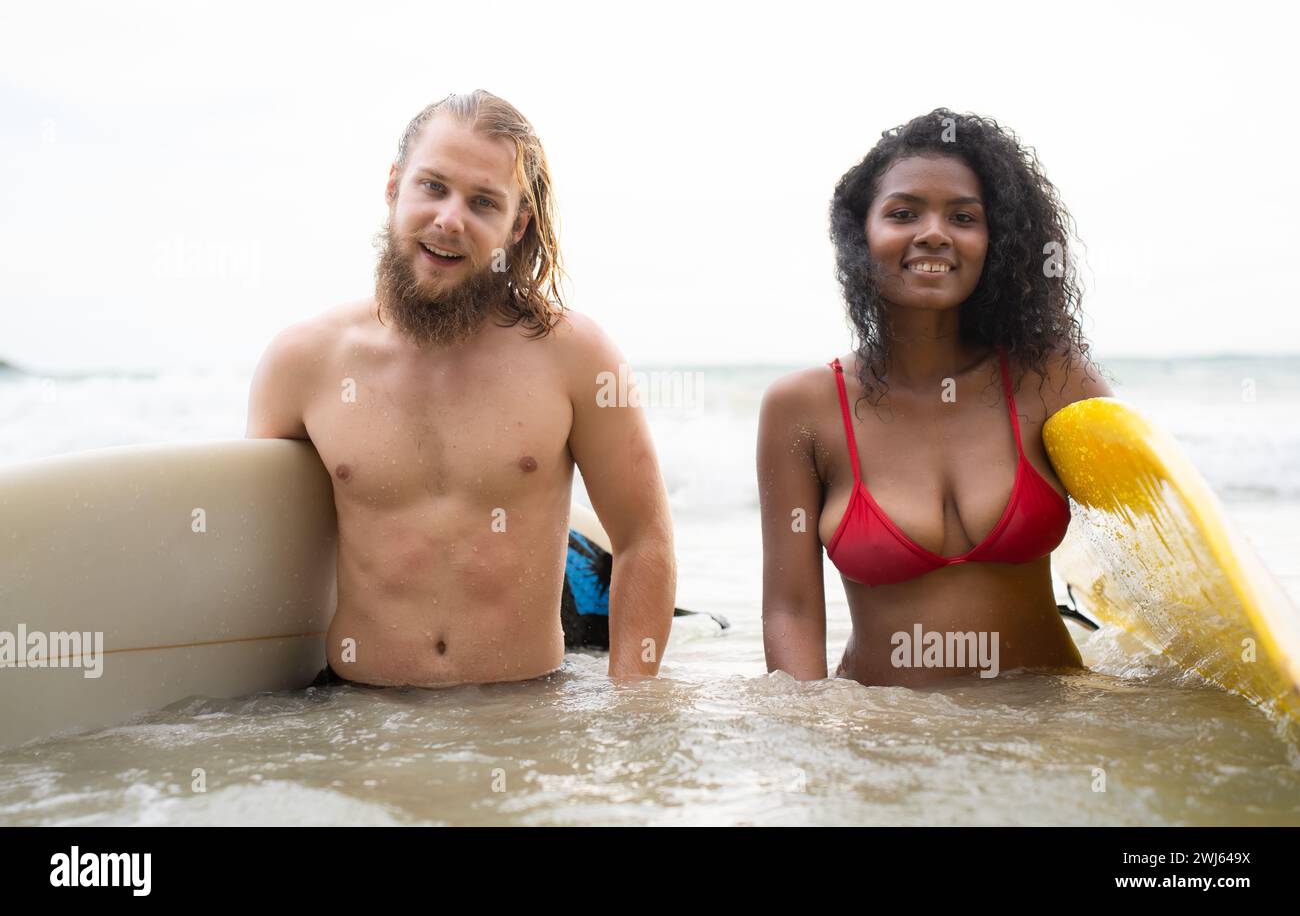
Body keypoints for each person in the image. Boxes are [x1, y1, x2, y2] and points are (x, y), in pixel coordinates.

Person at [246, 90, 675, 687]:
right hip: (361, 718)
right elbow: (263, 560)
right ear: (394, 185)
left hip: (526, 715)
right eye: (433, 186)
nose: (450, 218)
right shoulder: (304, 363)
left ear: (516, 224)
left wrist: (631, 712)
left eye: (482, 202)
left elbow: (642, 538)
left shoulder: (575, 358)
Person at [757, 108, 1113, 687]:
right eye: (903, 213)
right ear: (860, 236)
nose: (933, 232)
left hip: (1049, 737)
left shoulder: (1054, 380)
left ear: (995, 240)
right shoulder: (802, 408)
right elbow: (790, 608)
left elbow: (1158, 542)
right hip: (888, 740)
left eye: (963, 216)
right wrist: (810, 733)